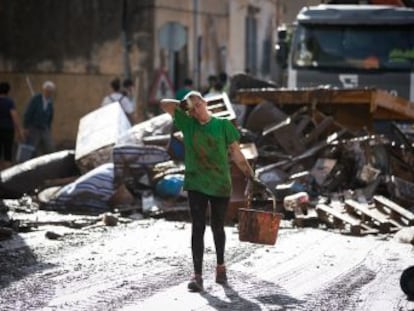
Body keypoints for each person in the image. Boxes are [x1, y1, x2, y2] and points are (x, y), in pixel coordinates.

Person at [161, 90, 257, 292]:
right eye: (192, 108)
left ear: (205, 103)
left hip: (220, 183)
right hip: (196, 183)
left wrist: (249, 174)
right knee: (197, 227)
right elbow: (164, 104)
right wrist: (183, 104)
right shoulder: (188, 124)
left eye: (198, 105)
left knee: (217, 227)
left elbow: (237, 154)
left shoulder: (223, 125)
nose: (196, 111)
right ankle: (197, 276)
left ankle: (220, 267)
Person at [23, 80, 56, 157]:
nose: (49, 93)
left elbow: (50, 116)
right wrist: (25, 127)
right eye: (48, 91)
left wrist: (48, 128)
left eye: (51, 91)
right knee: (31, 148)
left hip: (44, 127)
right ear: (44, 90)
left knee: (49, 147)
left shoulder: (50, 102)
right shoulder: (36, 99)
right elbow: (28, 113)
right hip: (34, 127)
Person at [0, 82, 24, 169]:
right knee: (7, 152)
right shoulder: (9, 102)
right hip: (7, 130)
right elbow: (14, 117)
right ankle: (6, 174)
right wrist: (20, 131)